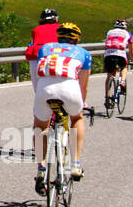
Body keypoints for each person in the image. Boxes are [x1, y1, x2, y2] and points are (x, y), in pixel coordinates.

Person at [29, 22, 91, 192]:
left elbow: (38, 72)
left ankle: (41, 167)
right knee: (77, 118)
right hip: (70, 89)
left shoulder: (46, 48)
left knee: (40, 125)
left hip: (44, 89)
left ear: (58, 37)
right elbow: (83, 84)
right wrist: (81, 104)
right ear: (77, 40)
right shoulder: (84, 54)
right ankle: (76, 163)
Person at [103, 19, 133, 107]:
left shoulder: (109, 32)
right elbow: (131, 51)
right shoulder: (128, 34)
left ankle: (107, 98)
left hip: (108, 54)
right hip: (120, 54)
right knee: (124, 66)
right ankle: (122, 82)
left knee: (109, 76)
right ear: (125, 26)